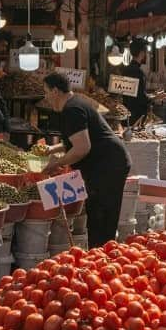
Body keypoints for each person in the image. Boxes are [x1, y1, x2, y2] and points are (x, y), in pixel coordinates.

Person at [41, 72, 132, 247]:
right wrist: (53, 149)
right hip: (108, 163)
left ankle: (102, 258)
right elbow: (78, 138)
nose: (45, 97)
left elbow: (83, 147)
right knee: (100, 215)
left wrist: (57, 163)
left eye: (46, 92)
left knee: (101, 218)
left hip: (107, 166)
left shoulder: (72, 110)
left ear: (55, 91)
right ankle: (102, 256)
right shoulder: (76, 103)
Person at [121, 38, 166, 124]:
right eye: (147, 53)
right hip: (135, 119)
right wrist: (156, 97)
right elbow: (140, 99)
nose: (148, 55)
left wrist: (153, 95)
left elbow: (134, 94)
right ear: (142, 53)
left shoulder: (127, 70)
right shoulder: (137, 72)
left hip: (128, 116)